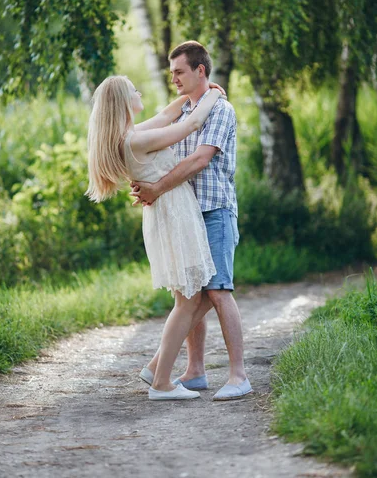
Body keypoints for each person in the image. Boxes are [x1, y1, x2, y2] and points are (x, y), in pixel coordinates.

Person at [85, 74, 225, 401]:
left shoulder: (131, 135)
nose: (139, 91)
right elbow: (188, 127)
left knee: (190, 297)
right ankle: (161, 382)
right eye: (134, 90)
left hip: (169, 213)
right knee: (192, 299)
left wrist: (194, 94)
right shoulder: (133, 141)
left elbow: (166, 117)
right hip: (174, 214)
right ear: (123, 101)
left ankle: (155, 368)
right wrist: (211, 98)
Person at [131, 41, 252, 401]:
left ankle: (238, 375)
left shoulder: (221, 110)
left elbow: (200, 160)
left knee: (218, 290)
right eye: (171, 74)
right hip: (184, 216)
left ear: (201, 70)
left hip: (214, 210)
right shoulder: (184, 113)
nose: (174, 80)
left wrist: (156, 188)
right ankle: (194, 371)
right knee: (189, 289)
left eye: (180, 72)